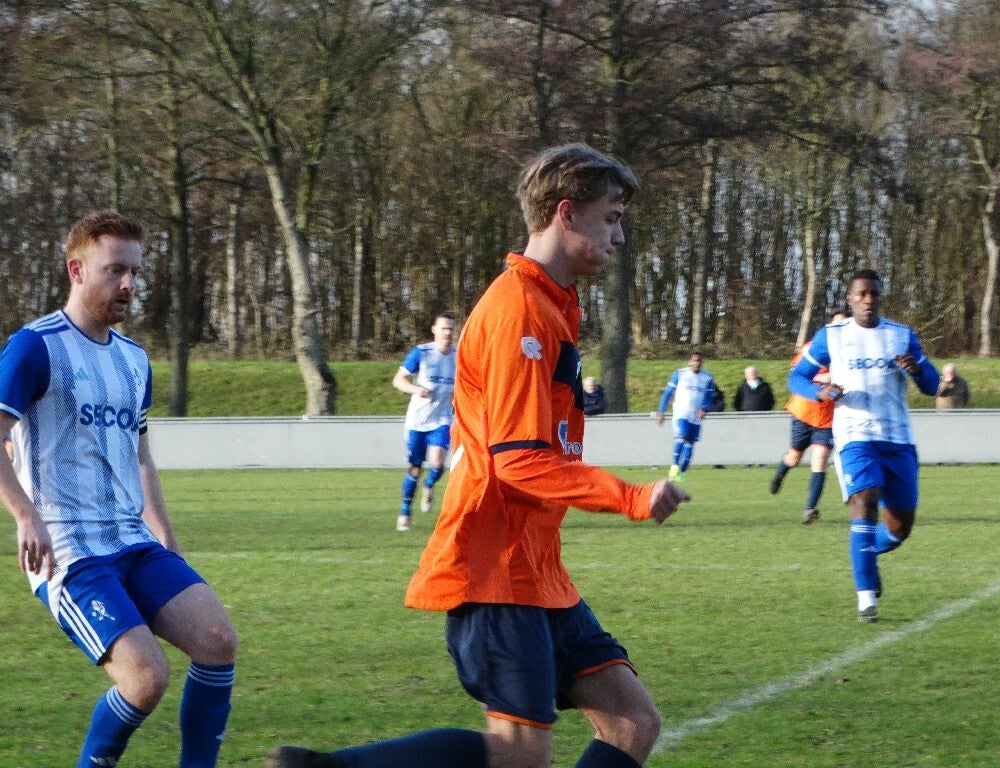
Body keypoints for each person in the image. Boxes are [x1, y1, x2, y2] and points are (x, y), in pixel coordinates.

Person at [268, 144, 690, 768]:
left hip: (538, 569)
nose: (619, 236)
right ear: (566, 213)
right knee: (519, 753)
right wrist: (630, 497)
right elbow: (517, 459)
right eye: (612, 218)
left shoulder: (551, 305)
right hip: (497, 568)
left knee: (632, 722)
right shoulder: (519, 308)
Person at [0, 210, 237, 767]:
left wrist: (165, 536)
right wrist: (25, 515)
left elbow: (141, 456)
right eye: (114, 271)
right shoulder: (35, 347)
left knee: (217, 641)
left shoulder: (135, 360)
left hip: (132, 539)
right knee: (145, 679)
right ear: (76, 270)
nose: (128, 284)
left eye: (134, 272)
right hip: (68, 549)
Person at [789, 269, 938, 623]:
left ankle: (870, 553)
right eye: (862, 294)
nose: (868, 299)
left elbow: (932, 386)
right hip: (854, 436)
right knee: (864, 500)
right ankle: (866, 600)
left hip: (898, 439)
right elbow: (796, 377)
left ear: (881, 297)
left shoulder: (901, 335)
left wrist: (917, 370)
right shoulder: (831, 336)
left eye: (874, 294)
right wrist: (820, 392)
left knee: (900, 528)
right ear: (850, 298)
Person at [769, 310, 847, 525]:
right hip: (804, 411)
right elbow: (797, 373)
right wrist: (824, 378)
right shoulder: (814, 346)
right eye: (837, 324)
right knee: (794, 457)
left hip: (828, 417)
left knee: (819, 460)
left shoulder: (850, 350)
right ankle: (780, 474)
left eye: (845, 323)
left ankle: (810, 508)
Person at [392, 312, 457, 531]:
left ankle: (429, 485)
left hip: (442, 418)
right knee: (415, 469)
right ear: (434, 330)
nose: (447, 332)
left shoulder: (459, 355)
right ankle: (405, 512)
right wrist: (416, 389)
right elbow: (398, 380)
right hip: (417, 421)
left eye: (451, 328)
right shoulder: (421, 353)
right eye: (444, 328)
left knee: (437, 463)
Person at [655, 352, 716, 482]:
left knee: (689, 444)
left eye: (699, 361)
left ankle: (682, 473)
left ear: (702, 362)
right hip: (681, 413)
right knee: (681, 438)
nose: (696, 363)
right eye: (694, 360)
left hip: (695, 416)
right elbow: (668, 393)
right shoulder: (680, 374)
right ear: (690, 361)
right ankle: (674, 466)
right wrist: (661, 411)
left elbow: (709, 397)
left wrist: (705, 408)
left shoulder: (707, 377)